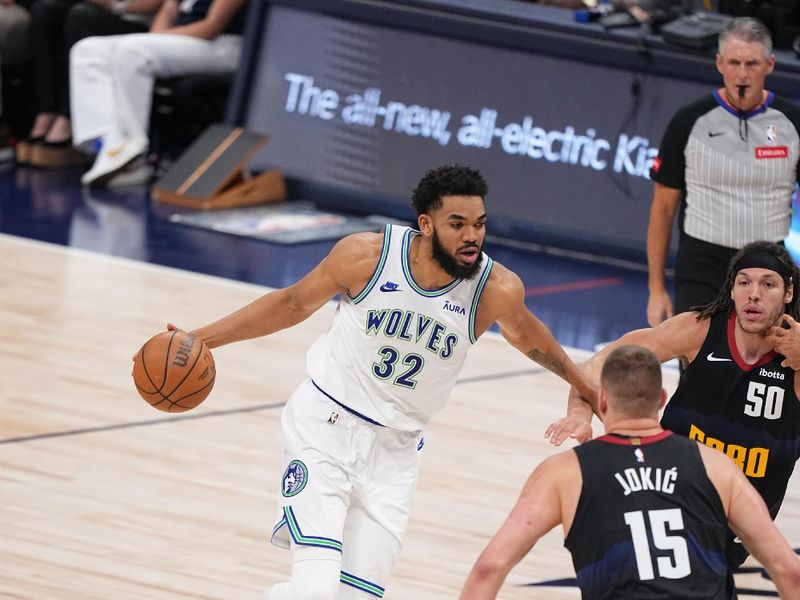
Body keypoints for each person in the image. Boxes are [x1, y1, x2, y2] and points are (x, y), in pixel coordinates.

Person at [181, 165, 596, 599]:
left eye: (479, 224)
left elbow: (532, 339)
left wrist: (587, 390)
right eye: (457, 225)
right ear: (426, 224)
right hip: (324, 428)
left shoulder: (494, 289)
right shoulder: (366, 256)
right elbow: (290, 304)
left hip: (396, 454)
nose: (472, 236)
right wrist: (201, 339)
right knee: (317, 588)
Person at [460, 345, 800, 599]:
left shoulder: (564, 472)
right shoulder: (716, 465)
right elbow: (788, 570)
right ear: (662, 398)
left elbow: (490, 566)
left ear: (603, 401)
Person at [547, 240, 800, 569]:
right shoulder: (698, 330)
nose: (754, 294)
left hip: (739, 517)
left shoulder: (794, 357)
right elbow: (598, 367)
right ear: (732, 289)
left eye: (768, 284)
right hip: (667, 487)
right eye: (744, 282)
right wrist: (579, 415)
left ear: (788, 293)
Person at [646, 17, 800, 328]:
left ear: (770, 65)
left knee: (767, 372)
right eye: (734, 62)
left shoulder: (792, 122)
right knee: (696, 370)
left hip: (769, 268)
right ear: (719, 63)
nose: (742, 73)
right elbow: (662, 209)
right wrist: (656, 288)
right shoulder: (689, 121)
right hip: (702, 265)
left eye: (752, 63)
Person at [69, 0, 245, 186]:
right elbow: (167, 13)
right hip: (185, 39)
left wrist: (163, 37)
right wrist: (158, 37)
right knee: (88, 50)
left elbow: (211, 27)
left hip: (226, 45)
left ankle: (134, 156)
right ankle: (110, 143)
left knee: (133, 51)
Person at [15, 0, 161, 168]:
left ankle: (69, 118)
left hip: (140, 21)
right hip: (100, 9)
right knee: (45, 9)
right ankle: (46, 111)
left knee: (81, 16)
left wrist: (113, 5)